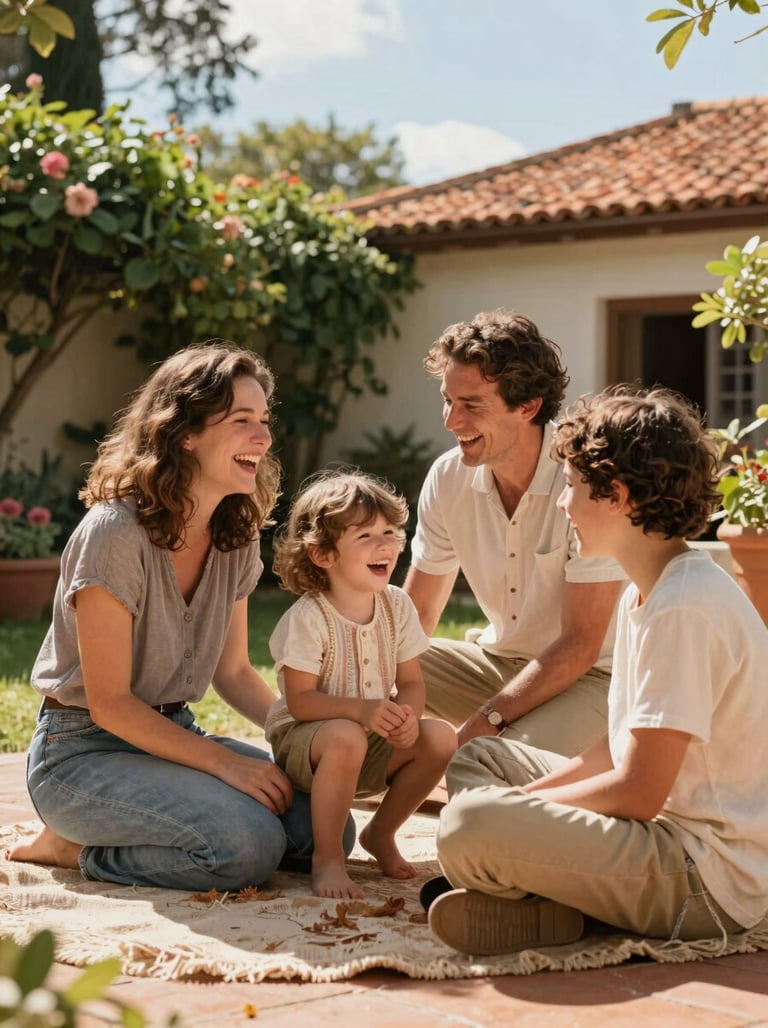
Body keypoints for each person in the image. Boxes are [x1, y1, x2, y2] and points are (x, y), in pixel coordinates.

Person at [426, 385, 768, 956]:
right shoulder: (649, 590)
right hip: (658, 837)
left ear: (620, 497)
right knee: (481, 760)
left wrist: (518, 815)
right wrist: (527, 806)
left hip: (705, 877)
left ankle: (552, 897)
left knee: (468, 825)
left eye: (575, 489)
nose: (563, 505)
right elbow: (614, 751)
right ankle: (555, 904)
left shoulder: (682, 605)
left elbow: (637, 791)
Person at [8, 341, 354, 891]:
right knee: (245, 848)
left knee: (326, 827)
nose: (263, 438)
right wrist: (224, 764)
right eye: (242, 420)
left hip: (173, 733)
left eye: (264, 421)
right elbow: (111, 704)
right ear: (185, 432)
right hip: (81, 753)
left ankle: (156, 826)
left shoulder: (234, 533)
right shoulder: (114, 534)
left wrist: (305, 740)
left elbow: (234, 672)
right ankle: (71, 848)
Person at [404, 309, 626, 753]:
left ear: (528, 406)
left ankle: (443, 775)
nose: (450, 421)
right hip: (499, 665)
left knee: (488, 763)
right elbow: (416, 615)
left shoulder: (587, 482)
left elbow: (581, 645)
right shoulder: (448, 478)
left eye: (471, 405)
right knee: (365, 667)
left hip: (594, 680)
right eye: (448, 399)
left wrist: (485, 721)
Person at [265, 470, 457, 899]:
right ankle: (328, 858)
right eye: (366, 535)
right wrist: (362, 711)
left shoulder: (397, 606)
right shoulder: (310, 618)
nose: (385, 544)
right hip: (307, 745)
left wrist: (408, 715)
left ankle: (381, 834)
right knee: (346, 735)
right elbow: (300, 703)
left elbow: (411, 681)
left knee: (441, 738)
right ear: (323, 555)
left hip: (366, 736)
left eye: (390, 531)